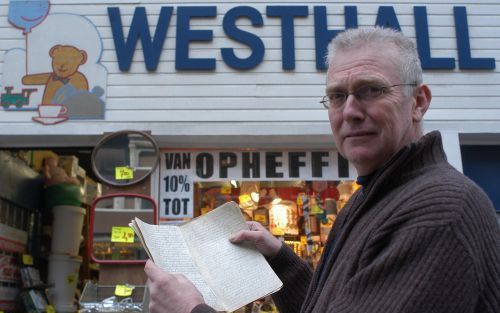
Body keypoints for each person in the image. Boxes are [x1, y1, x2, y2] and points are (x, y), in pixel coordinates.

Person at [145, 26, 500, 313]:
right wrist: (279, 258)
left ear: (418, 102)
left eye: (371, 90)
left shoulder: (439, 211)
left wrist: (191, 310)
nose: (349, 111)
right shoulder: (376, 194)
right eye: (336, 96)